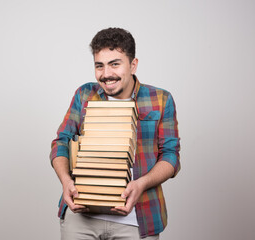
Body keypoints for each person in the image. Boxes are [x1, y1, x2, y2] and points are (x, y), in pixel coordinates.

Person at [50, 27, 180, 239]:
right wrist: (66, 181)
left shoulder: (161, 99)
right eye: (99, 66)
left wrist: (141, 185)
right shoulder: (84, 94)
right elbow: (61, 142)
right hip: (82, 215)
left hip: (138, 218)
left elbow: (170, 155)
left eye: (115, 64)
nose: (106, 74)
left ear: (133, 64)